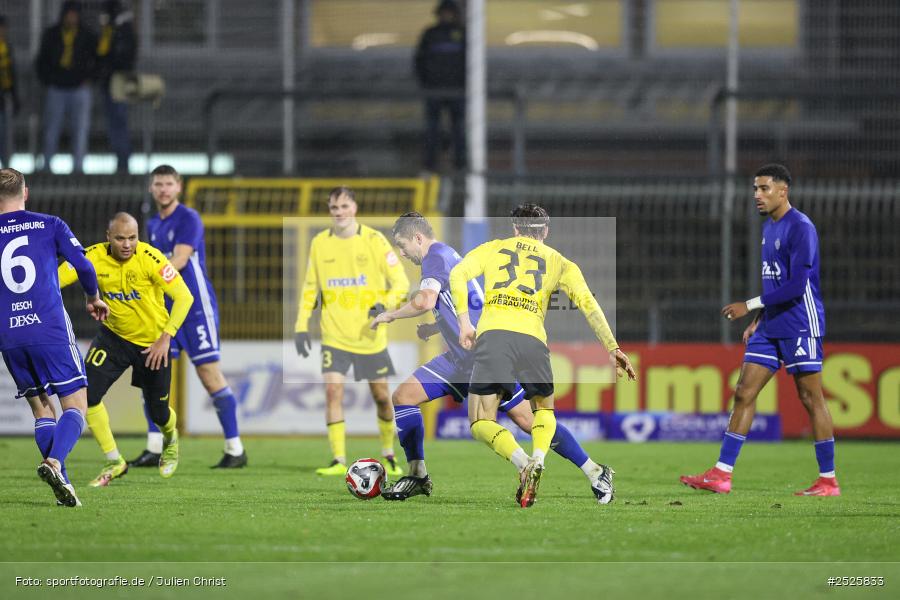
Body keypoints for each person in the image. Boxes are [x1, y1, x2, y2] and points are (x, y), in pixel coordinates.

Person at [371, 212, 619, 504]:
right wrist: (437, 325)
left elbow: (425, 300)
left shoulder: (435, 257)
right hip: (459, 358)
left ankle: (582, 469)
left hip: (482, 354)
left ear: (418, 238)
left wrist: (390, 315)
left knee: (524, 421)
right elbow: (467, 301)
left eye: (402, 245)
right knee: (404, 396)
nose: (401, 253)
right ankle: (418, 474)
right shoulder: (449, 254)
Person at [449, 204, 636, 508]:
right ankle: (539, 458)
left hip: (494, 338)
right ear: (546, 231)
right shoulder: (561, 262)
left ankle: (524, 463)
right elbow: (589, 304)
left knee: (480, 421)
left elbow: (457, 274)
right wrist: (612, 347)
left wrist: (464, 323)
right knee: (543, 411)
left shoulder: (495, 248)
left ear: (515, 229)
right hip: (533, 341)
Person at [680, 164, 839, 496]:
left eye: (764, 188)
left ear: (783, 191)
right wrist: (759, 320)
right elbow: (776, 281)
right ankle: (722, 474)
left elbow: (796, 286)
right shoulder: (769, 228)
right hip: (770, 324)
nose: (757, 194)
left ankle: (828, 480)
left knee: (810, 397)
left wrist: (749, 306)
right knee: (744, 392)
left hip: (800, 323)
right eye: (755, 188)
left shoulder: (801, 227)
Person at [58, 212, 193, 485]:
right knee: (88, 397)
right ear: (108, 237)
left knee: (159, 413)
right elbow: (53, 280)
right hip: (114, 338)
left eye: (132, 237)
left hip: (153, 345)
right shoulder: (91, 256)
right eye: (120, 238)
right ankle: (115, 460)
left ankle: (170, 440)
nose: (127, 244)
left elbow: (184, 297)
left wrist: (166, 338)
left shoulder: (152, 258)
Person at [0, 168, 108, 506]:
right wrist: (93, 297)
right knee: (76, 404)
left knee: (42, 410)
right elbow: (84, 265)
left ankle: (64, 484)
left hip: (9, 333)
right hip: (48, 327)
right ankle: (55, 462)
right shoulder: (49, 224)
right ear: (26, 193)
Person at [127, 164, 247, 469]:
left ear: (178, 187)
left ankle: (235, 449)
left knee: (209, 375)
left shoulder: (188, 218)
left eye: (169, 183)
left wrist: (144, 274)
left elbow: (180, 259)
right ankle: (154, 447)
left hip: (194, 308)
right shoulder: (153, 223)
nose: (164, 189)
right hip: (164, 310)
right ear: (152, 188)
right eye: (158, 184)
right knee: (153, 373)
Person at [294, 187, 410, 476]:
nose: (340, 212)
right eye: (334, 208)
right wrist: (300, 326)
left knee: (382, 397)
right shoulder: (320, 243)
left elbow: (401, 283)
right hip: (334, 334)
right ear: (329, 210)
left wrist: (385, 304)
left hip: (369, 334)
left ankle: (388, 453)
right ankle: (338, 460)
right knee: (333, 391)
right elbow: (310, 287)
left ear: (354, 207)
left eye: (344, 206)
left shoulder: (373, 239)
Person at [35, 1, 97, 174]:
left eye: (74, 14)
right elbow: (42, 61)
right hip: (57, 88)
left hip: (79, 88)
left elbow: (97, 60)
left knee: (80, 129)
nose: (71, 18)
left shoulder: (86, 35)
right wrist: (49, 79)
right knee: (51, 128)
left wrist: (89, 78)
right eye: (69, 14)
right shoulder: (52, 34)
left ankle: (78, 168)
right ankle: (46, 166)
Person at [414, 0, 466, 173]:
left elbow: (470, 62)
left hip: (456, 91)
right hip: (435, 91)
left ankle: (459, 162)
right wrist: (426, 84)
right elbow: (419, 62)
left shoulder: (461, 34)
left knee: (458, 128)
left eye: (449, 12)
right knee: (433, 128)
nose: (446, 16)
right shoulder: (430, 34)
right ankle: (431, 162)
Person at [95, 0, 136, 174]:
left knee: (119, 122)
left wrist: (110, 67)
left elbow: (124, 58)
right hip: (108, 83)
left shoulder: (124, 30)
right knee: (114, 124)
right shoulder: (108, 31)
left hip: (119, 82)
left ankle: (123, 162)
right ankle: (120, 160)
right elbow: (100, 54)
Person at [0, 15, 21, 167]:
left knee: (7, 137)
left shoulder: (7, 47)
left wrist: (14, 96)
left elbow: (11, 74)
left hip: (5, 98)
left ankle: (6, 171)